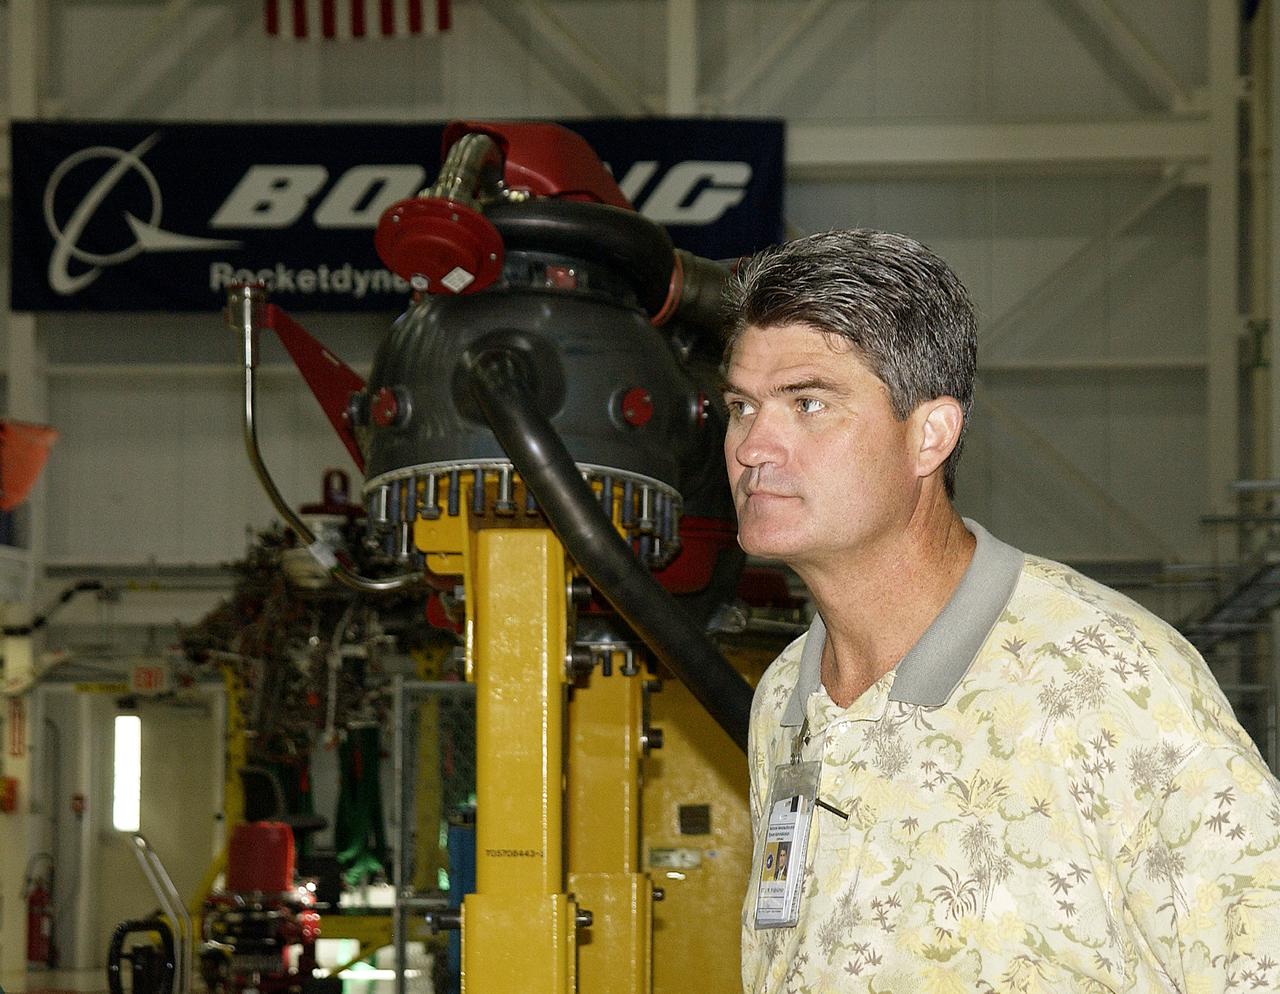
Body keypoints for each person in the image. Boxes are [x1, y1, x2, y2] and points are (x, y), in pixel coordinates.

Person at [723, 229, 1280, 994]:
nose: (753, 445)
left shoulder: (1106, 677)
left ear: (931, 435)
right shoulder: (787, 697)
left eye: (808, 403)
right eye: (741, 407)